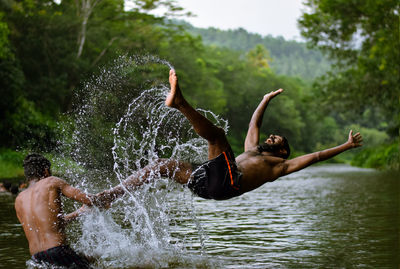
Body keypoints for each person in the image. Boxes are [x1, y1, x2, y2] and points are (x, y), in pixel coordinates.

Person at [159, 69, 363, 200]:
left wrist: (347, 146)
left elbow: (317, 156)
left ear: (282, 150)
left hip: (226, 185)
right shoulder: (252, 151)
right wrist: (265, 99)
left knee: (218, 136)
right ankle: (124, 190)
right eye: (271, 136)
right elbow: (253, 123)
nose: (270, 137)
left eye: (276, 139)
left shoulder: (280, 167)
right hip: (204, 183)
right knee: (162, 165)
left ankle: (179, 103)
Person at [14, 153, 110, 268]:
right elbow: (88, 200)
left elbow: (51, 226)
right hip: (58, 251)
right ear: (46, 172)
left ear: (28, 176)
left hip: (37, 258)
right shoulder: (51, 181)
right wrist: (104, 198)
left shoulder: (19, 199)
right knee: (103, 260)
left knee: (90, 259)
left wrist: (80, 212)